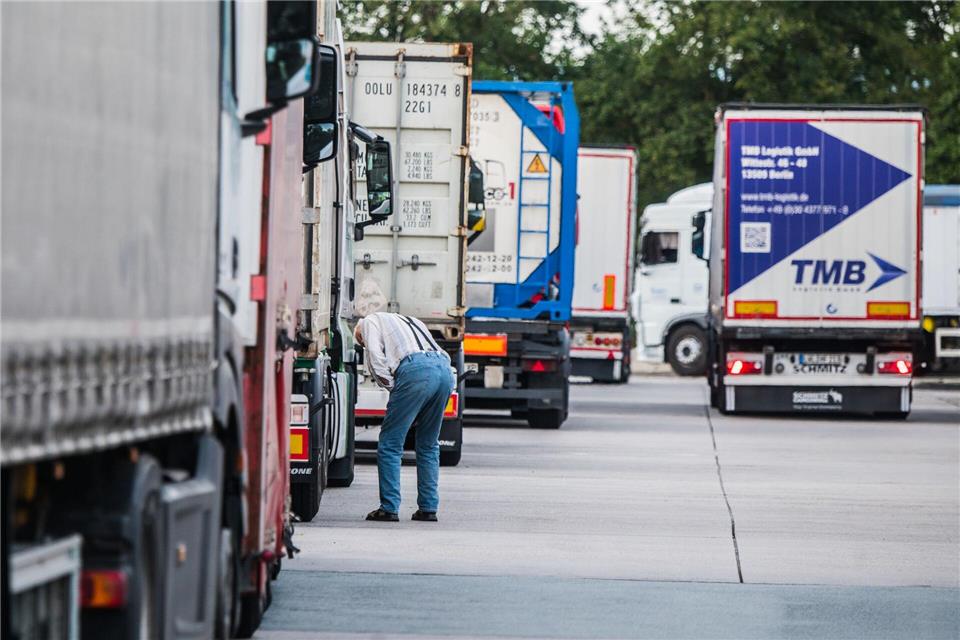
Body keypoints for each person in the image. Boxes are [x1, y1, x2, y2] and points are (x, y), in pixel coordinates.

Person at [354, 312, 455, 522]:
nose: (364, 343)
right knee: (429, 444)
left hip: (414, 371)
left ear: (359, 332)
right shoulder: (412, 320)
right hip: (444, 370)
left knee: (390, 443)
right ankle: (428, 508)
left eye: (361, 342)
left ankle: (389, 508)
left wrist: (396, 390)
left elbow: (376, 360)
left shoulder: (368, 322)